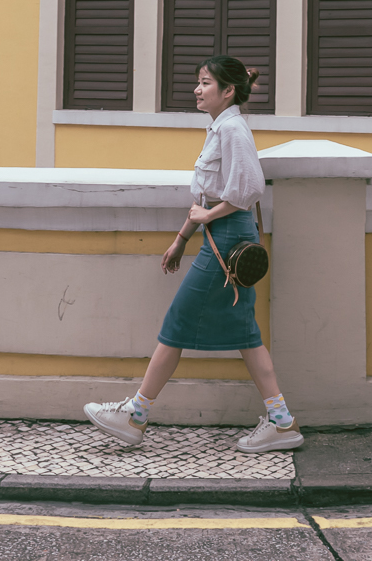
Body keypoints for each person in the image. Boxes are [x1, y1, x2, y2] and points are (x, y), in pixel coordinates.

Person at [83, 55, 303, 453]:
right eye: (199, 82)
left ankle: (135, 416)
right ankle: (282, 421)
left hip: (227, 239)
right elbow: (209, 195)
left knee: (178, 321)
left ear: (228, 90)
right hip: (223, 236)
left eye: (205, 83)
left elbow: (248, 188)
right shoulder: (220, 127)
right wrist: (183, 238)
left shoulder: (232, 129)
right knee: (245, 333)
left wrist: (208, 216)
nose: (197, 90)